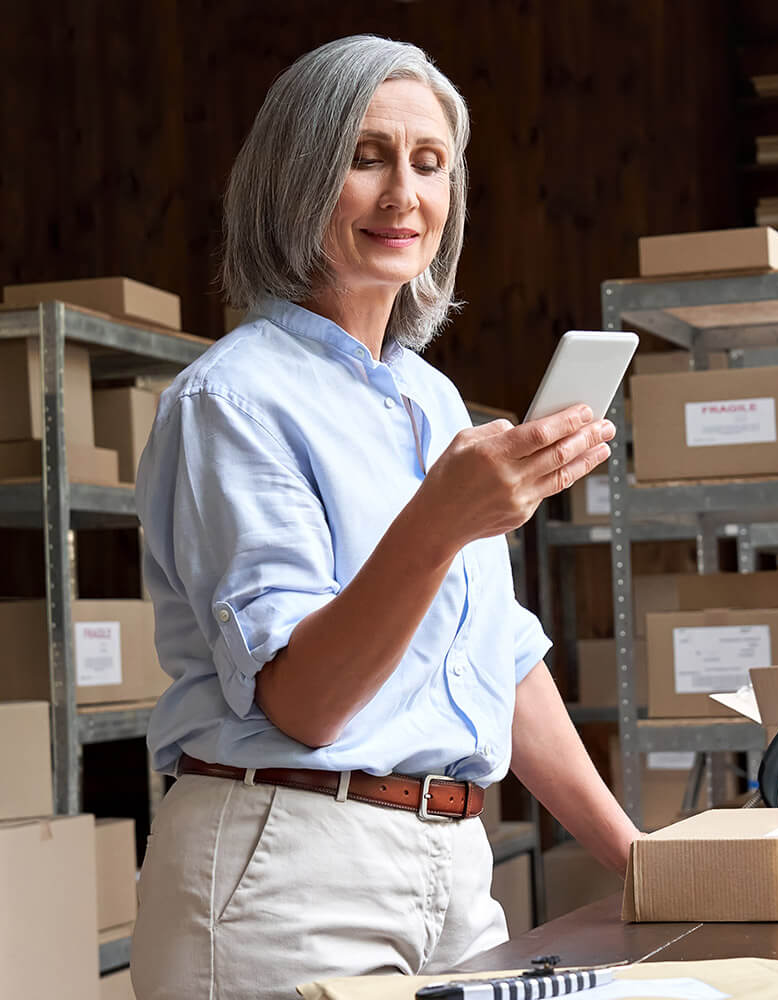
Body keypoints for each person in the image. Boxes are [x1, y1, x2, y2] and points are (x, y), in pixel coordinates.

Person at [130, 34, 640, 1000]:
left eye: (430, 162)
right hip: (285, 869)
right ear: (295, 178)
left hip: (453, 864)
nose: (404, 194)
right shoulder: (230, 401)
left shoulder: (435, 402)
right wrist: (440, 524)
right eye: (365, 158)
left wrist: (636, 858)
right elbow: (304, 704)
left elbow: (500, 655)